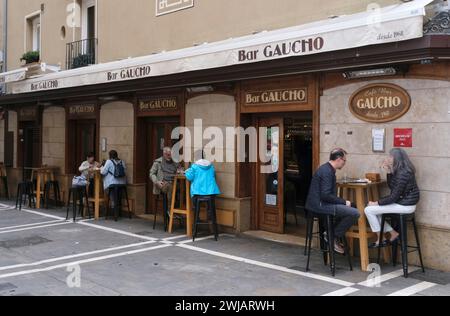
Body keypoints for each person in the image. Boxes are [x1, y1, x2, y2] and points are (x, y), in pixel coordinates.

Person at [305, 148, 360, 254]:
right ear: (339, 159)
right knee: (355, 213)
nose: (345, 163)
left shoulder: (327, 169)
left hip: (319, 204)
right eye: (344, 160)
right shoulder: (327, 172)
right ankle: (332, 236)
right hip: (320, 206)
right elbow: (325, 195)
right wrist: (344, 202)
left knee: (348, 210)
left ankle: (331, 234)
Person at [365, 148, 420, 247]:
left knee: (369, 210)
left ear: (396, 158)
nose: (388, 158)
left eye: (390, 156)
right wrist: (389, 171)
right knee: (374, 211)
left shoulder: (403, 173)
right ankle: (393, 233)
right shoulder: (401, 170)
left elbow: (393, 197)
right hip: (403, 202)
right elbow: (392, 187)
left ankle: (381, 238)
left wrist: (376, 203)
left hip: (405, 205)